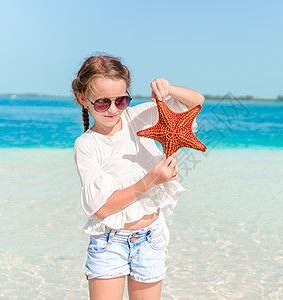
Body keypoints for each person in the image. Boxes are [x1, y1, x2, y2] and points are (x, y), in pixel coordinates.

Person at [71, 55, 204, 300]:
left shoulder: (137, 118)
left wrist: (168, 88)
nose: (113, 109)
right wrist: (152, 180)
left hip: (150, 238)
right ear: (83, 99)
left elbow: (196, 102)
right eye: (102, 103)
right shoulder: (87, 145)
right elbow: (100, 208)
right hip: (109, 242)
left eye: (121, 100)